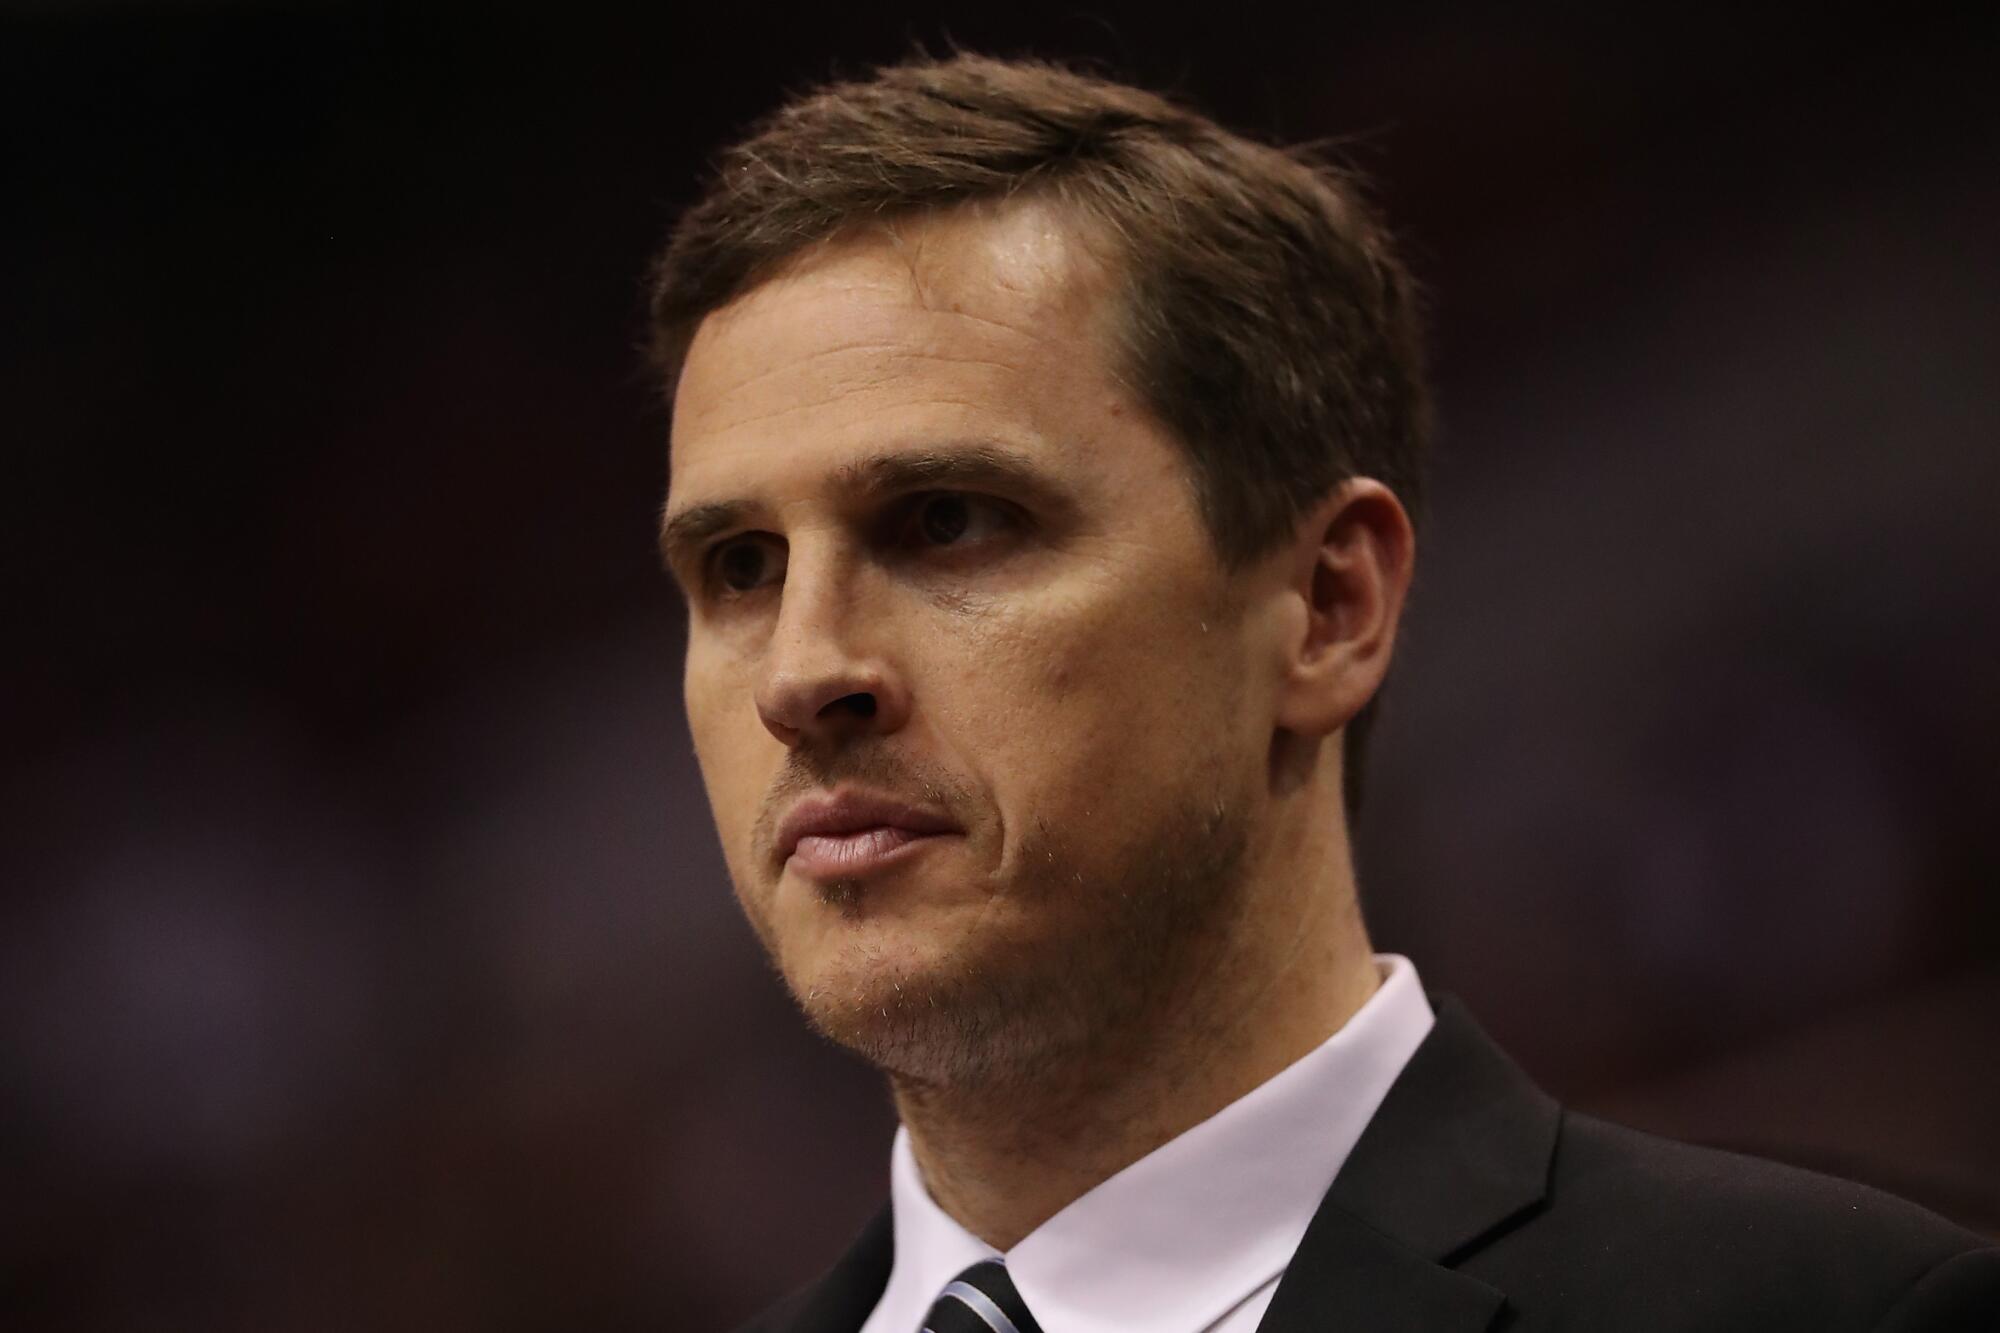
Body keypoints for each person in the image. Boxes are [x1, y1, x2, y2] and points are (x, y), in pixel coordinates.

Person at [649, 52, 1999, 1333]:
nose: (804, 670)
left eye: (947, 520)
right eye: (741, 565)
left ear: (1328, 606)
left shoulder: (1839, 1311)